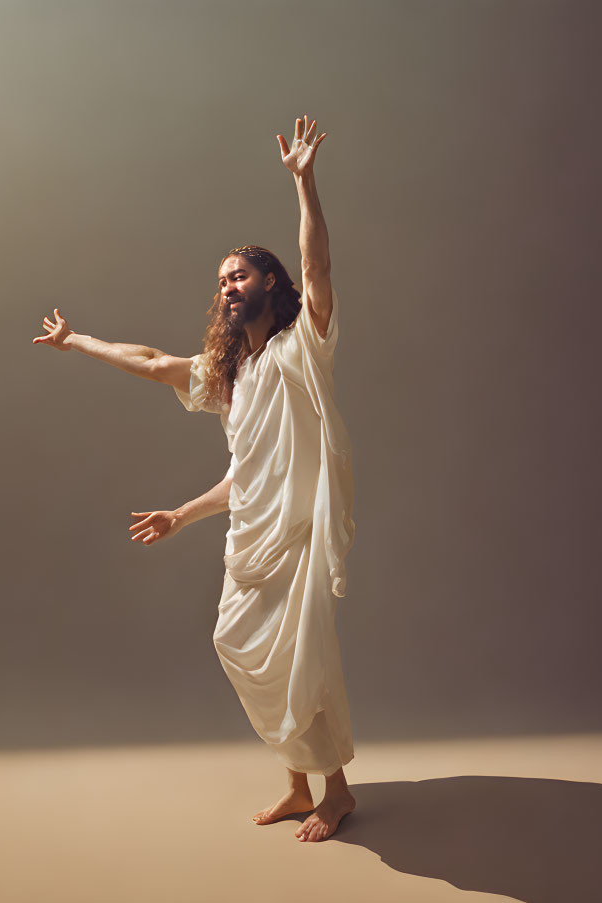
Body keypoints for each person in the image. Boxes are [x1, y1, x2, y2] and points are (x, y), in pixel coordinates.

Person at [32, 116, 356, 843]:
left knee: (305, 661)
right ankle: (296, 786)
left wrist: (304, 185)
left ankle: (336, 793)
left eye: (238, 275)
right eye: (221, 282)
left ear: (269, 282)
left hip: (297, 536)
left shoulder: (302, 348)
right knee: (239, 646)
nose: (227, 288)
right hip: (251, 536)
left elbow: (320, 271)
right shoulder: (229, 375)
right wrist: (76, 340)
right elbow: (154, 365)